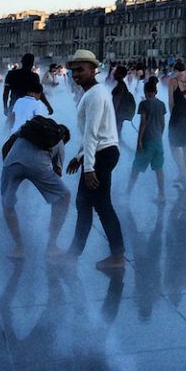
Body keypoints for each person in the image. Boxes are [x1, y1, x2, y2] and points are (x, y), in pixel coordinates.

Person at [64, 49, 126, 271]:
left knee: (100, 205)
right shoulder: (94, 93)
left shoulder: (95, 95)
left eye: (81, 70)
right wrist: (80, 157)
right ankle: (74, 253)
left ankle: (116, 257)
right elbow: (95, 132)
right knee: (86, 204)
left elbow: (92, 134)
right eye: (73, 71)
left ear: (93, 69)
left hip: (101, 155)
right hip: (101, 152)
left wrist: (88, 167)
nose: (76, 74)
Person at [0, 119, 72, 259]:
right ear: (64, 137)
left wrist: (7, 166)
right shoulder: (59, 141)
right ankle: (51, 246)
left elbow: (5, 146)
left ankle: (19, 248)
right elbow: (57, 172)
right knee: (64, 196)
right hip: (39, 167)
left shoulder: (28, 128)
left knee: (7, 204)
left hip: (11, 163)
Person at [128, 76, 167, 202]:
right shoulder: (161, 104)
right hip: (158, 140)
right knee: (159, 169)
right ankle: (162, 195)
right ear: (156, 92)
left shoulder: (143, 104)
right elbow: (162, 123)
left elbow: (143, 123)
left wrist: (139, 141)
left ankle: (127, 193)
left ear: (145, 92)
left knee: (136, 168)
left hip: (147, 140)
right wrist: (159, 135)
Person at [2, 53, 52, 124]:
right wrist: (48, 106)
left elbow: (5, 93)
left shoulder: (11, 74)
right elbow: (39, 93)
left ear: (22, 62)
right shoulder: (34, 76)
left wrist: (5, 107)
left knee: (10, 130)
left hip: (14, 106)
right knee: (28, 131)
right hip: (29, 108)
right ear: (32, 64)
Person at [111, 65, 136, 143]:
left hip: (117, 116)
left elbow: (117, 101)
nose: (114, 73)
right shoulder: (121, 84)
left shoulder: (121, 85)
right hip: (119, 115)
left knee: (116, 137)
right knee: (117, 137)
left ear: (120, 74)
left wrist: (111, 116)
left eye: (116, 72)